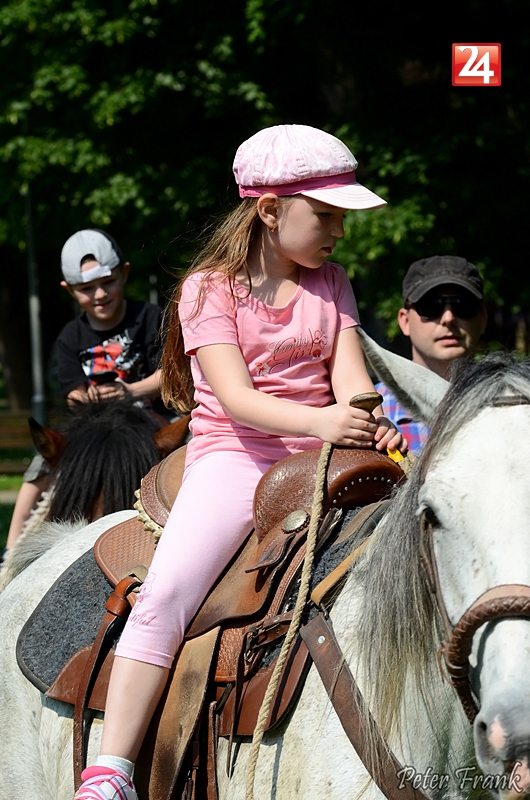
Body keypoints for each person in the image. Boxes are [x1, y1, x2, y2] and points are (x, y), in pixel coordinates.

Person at [72, 123, 406, 800]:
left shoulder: (332, 281)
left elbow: (349, 377)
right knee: (166, 594)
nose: (340, 229)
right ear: (271, 210)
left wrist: (367, 414)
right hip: (237, 457)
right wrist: (325, 420)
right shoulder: (208, 289)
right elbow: (236, 398)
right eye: (327, 213)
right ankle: (111, 769)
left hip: (325, 453)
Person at [4, 230, 165, 556]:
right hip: (95, 428)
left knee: (191, 447)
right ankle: (10, 553)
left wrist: (129, 391)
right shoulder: (70, 336)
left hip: (151, 420)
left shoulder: (150, 318)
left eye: (108, 282)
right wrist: (88, 398)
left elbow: (169, 374)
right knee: (37, 474)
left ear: (124, 273)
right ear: (70, 289)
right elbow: (72, 393)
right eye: (87, 289)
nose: (100, 294)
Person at [377, 255, 487, 454]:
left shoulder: (515, 406)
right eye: (431, 305)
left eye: (463, 305)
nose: (448, 317)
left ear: (483, 319)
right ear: (404, 321)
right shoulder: (370, 411)